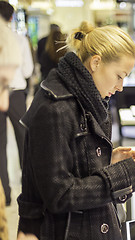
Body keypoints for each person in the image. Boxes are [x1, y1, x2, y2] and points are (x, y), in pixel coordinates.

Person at [17, 21, 135, 239]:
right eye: (119, 76)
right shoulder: (55, 107)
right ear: (96, 62)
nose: (121, 86)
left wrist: (109, 161)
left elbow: (75, 168)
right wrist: (127, 173)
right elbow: (60, 195)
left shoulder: (89, 100)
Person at [0, 1, 34, 207]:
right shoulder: (19, 40)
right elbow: (28, 71)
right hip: (16, 95)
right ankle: (29, 190)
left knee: (0, 145)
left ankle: (4, 194)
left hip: (3, 93)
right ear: (12, 17)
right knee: (24, 141)